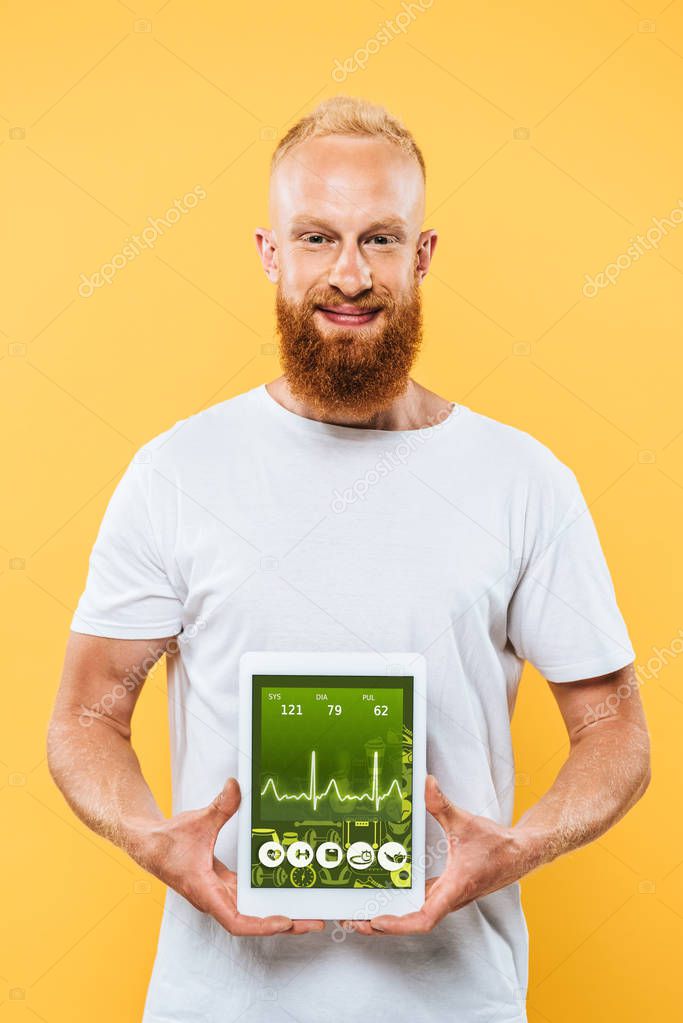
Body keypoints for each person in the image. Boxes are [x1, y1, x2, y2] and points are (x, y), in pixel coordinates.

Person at [47, 96, 650, 1023]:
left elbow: (613, 729)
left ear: (421, 254)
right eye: (317, 237)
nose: (349, 274)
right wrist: (151, 835)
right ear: (270, 253)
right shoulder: (176, 473)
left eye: (379, 238)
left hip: (457, 1002)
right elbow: (86, 717)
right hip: (221, 1002)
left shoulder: (521, 480)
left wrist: (520, 845)